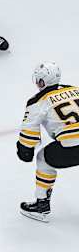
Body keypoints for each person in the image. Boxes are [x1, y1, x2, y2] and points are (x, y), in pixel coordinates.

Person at [17, 62, 79, 222]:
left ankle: (41, 205)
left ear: (42, 81)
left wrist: (25, 150)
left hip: (71, 147)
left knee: (43, 159)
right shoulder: (74, 89)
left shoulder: (37, 101)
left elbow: (29, 132)